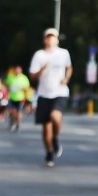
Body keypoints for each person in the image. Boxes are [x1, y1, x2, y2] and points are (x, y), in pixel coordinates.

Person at [28, 28, 72, 167]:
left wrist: (66, 78)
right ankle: (49, 152)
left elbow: (69, 68)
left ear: (57, 39)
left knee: (56, 116)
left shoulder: (63, 53)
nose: (50, 39)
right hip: (43, 93)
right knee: (46, 128)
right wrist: (42, 69)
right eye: (48, 37)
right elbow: (32, 75)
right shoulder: (39, 55)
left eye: (53, 37)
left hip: (60, 91)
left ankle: (56, 138)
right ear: (44, 39)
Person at [5, 65, 31, 132]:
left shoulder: (24, 78)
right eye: (16, 70)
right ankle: (12, 122)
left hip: (20, 98)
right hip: (12, 97)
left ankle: (18, 124)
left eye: (18, 70)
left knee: (19, 112)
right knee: (12, 112)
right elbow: (6, 86)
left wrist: (22, 88)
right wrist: (9, 88)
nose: (17, 71)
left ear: (21, 70)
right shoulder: (10, 77)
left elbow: (27, 88)